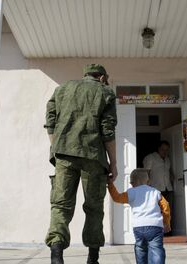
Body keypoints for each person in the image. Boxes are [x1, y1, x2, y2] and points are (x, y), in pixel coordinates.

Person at [44, 64, 118, 264]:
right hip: (93, 156)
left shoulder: (62, 89)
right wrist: (114, 163)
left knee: (60, 205)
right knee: (94, 207)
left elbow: (50, 121)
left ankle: (57, 255)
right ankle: (92, 259)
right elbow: (108, 130)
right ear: (102, 77)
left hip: (64, 156)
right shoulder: (105, 92)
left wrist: (58, 147)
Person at [107, 168, 171, 264]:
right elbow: (165, 206)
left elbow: (116, 197)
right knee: (156, 249)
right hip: (155, 226)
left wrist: (110, 184)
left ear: (132, 183)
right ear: (148, 181)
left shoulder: (131, 192)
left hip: (139, 227)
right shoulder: (155, 192)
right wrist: (166, 223)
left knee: (140, 249)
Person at [143, 141, 174, 233]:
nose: (164, 151)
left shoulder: (168, 159)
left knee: (167, 211)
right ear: (158, 149)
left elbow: (169, 171)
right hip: (155, 188)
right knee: (156, 212)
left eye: (166, 150)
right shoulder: (150, 158)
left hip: (168, 188)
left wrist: (172, 176)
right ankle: (157, 232)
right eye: (162, 149)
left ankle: (167, 231)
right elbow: (146, 173)